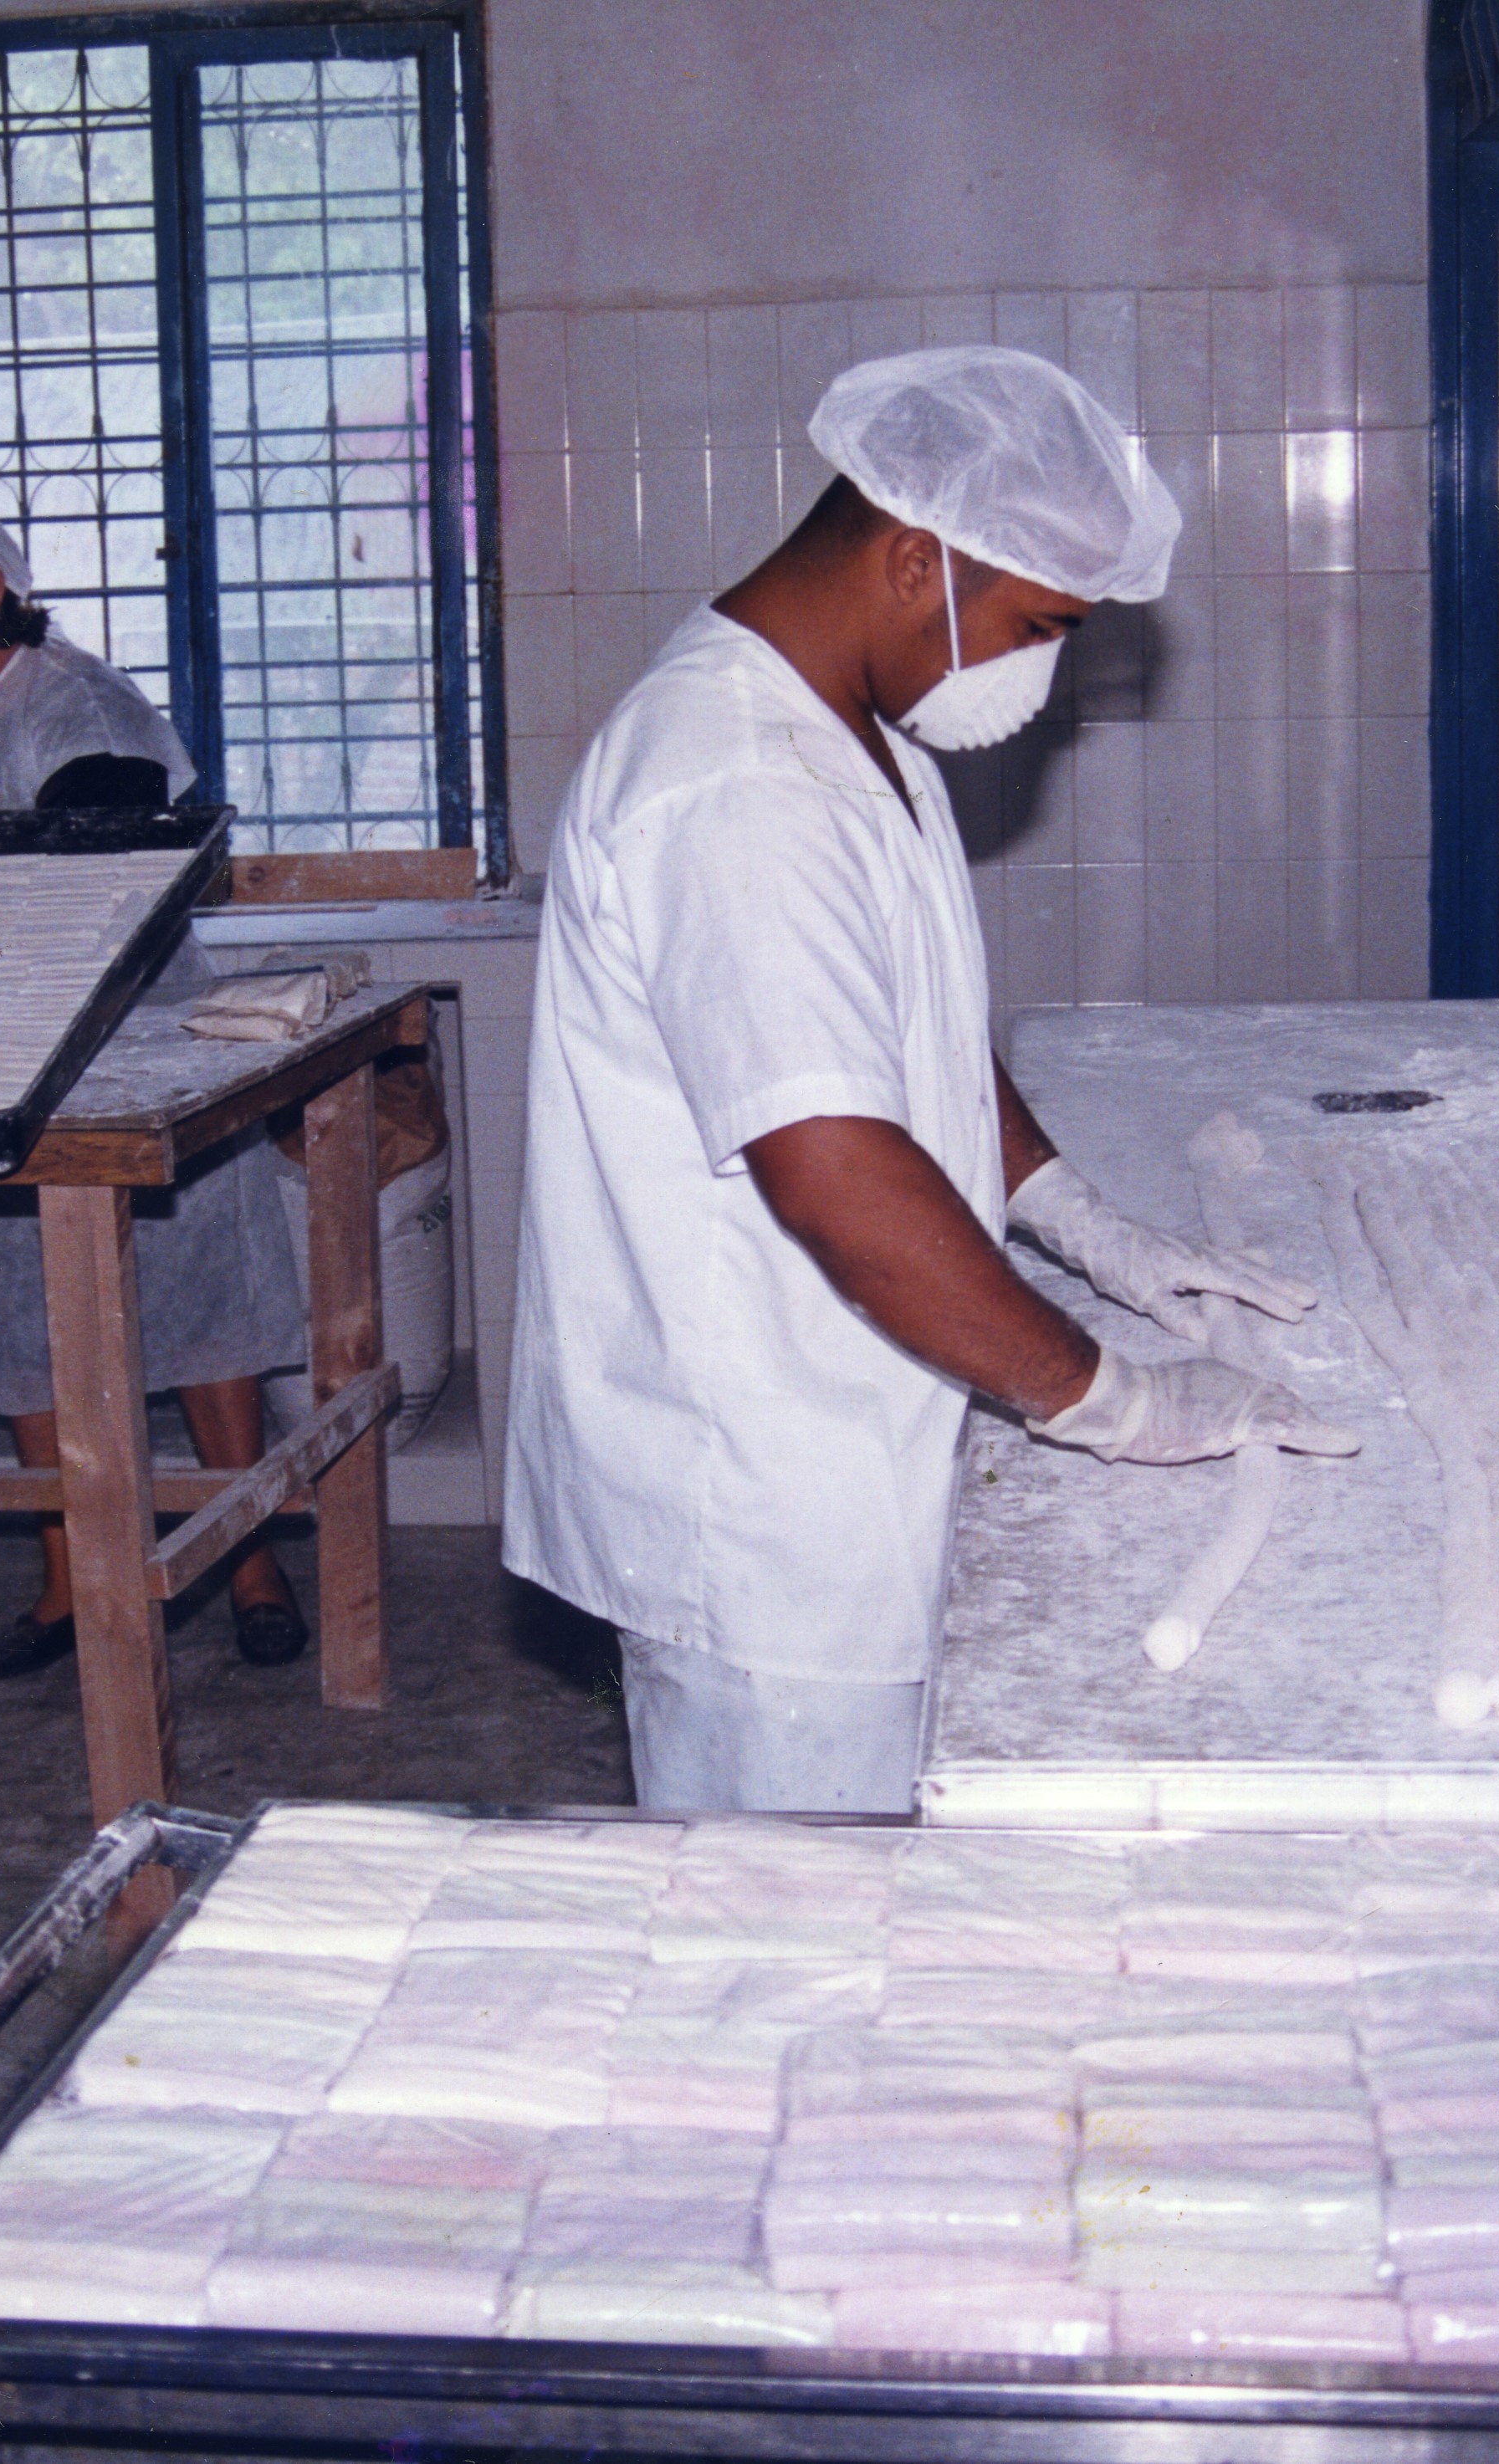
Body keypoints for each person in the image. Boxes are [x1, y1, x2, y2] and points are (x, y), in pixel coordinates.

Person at [504, 347, 1357, 1815]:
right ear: (916, 560)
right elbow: (839, 1177)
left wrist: (1079, 1219)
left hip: (843, 1452)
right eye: (1039, 625)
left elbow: (909, 1039)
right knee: (799, 1923)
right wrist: (1116, 1401)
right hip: (764, 1517)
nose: (1042, 669)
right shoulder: (737, 784)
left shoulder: (851, 732)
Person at [0, 474, 315, 1681]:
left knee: (203, 1313)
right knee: (26, 1323)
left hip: (136, 1042)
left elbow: (103, 861)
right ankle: (68, 1578)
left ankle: (249, 1561)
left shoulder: (77, 702)